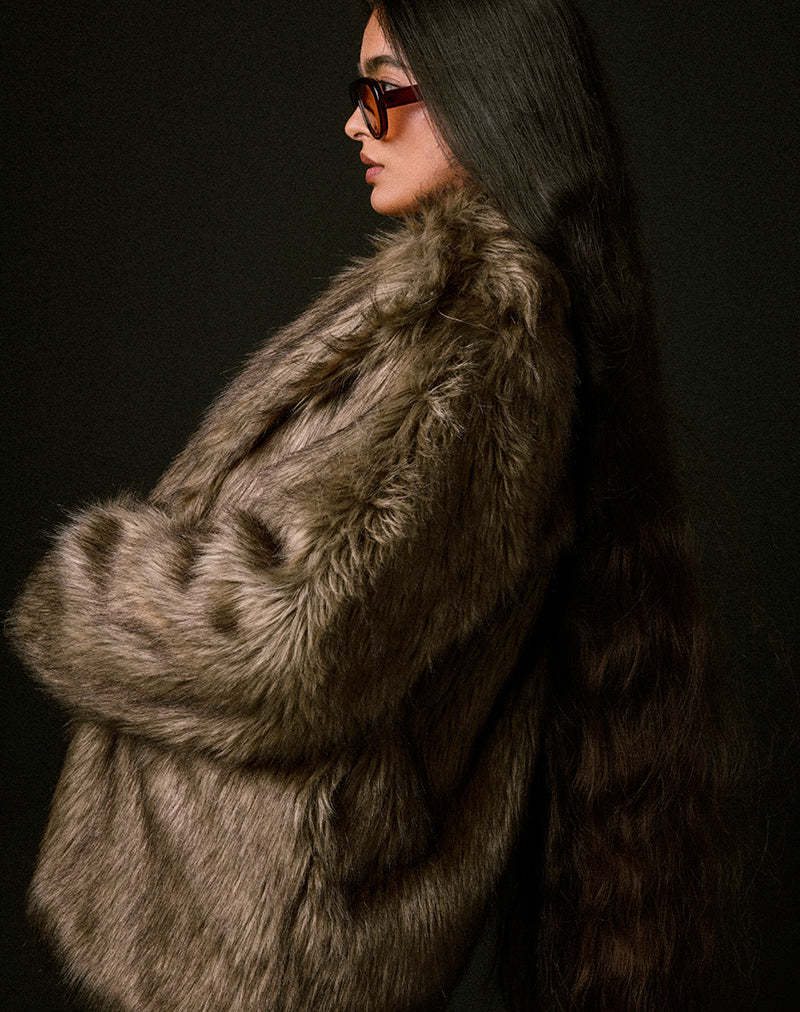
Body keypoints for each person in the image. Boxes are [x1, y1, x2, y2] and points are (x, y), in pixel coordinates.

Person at [6, 1, 746, 1010]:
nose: (355, 122)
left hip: (269, 953)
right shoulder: (445, 321)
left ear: (486, 98)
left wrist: (87, 583)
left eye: (384, 90)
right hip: (240, 939)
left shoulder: (482, 336)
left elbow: (288, 639)